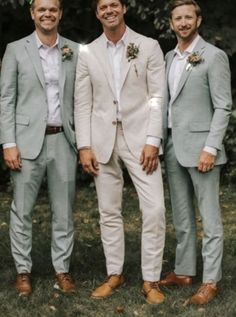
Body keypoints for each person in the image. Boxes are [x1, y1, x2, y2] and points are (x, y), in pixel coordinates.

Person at [74, 0, 166, 305]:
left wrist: (153, 139)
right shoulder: (87, 52)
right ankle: (115, 273)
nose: (108, 10)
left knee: (153, 210)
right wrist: (84, 145)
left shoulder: (148, 46)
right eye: (103, 6)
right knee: (108, 212)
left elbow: (157, 96)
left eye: (114, 4)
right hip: (101, 141)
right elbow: (83, 102)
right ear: (97, 13)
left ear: (124, 8)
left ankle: (150, 279)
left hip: (141, 142)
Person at [0, 0, 79, 296]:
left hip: (64, 141)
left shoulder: (73, 50)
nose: (48, 14)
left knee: (65, 210)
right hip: (25, 141)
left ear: (60, 14)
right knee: (22, 210)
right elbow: (6, 99)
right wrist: (8, 142)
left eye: (53, 9)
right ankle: (23, 270)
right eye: (41, 9)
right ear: (32, 14)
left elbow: (81, 98)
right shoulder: (15, 49)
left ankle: (62, 269)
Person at [159, 0, 232, 305]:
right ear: (172, 23)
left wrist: (210, 148)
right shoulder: (168, 57)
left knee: (210, 218)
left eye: (189, 17)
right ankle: (185, 271)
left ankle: (211, 281)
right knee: (183, 215)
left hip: (203, 149)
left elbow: (223, 106)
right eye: (178, 18)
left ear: (198, 21)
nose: (184, 22)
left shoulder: (214, 57)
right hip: (174, 144)